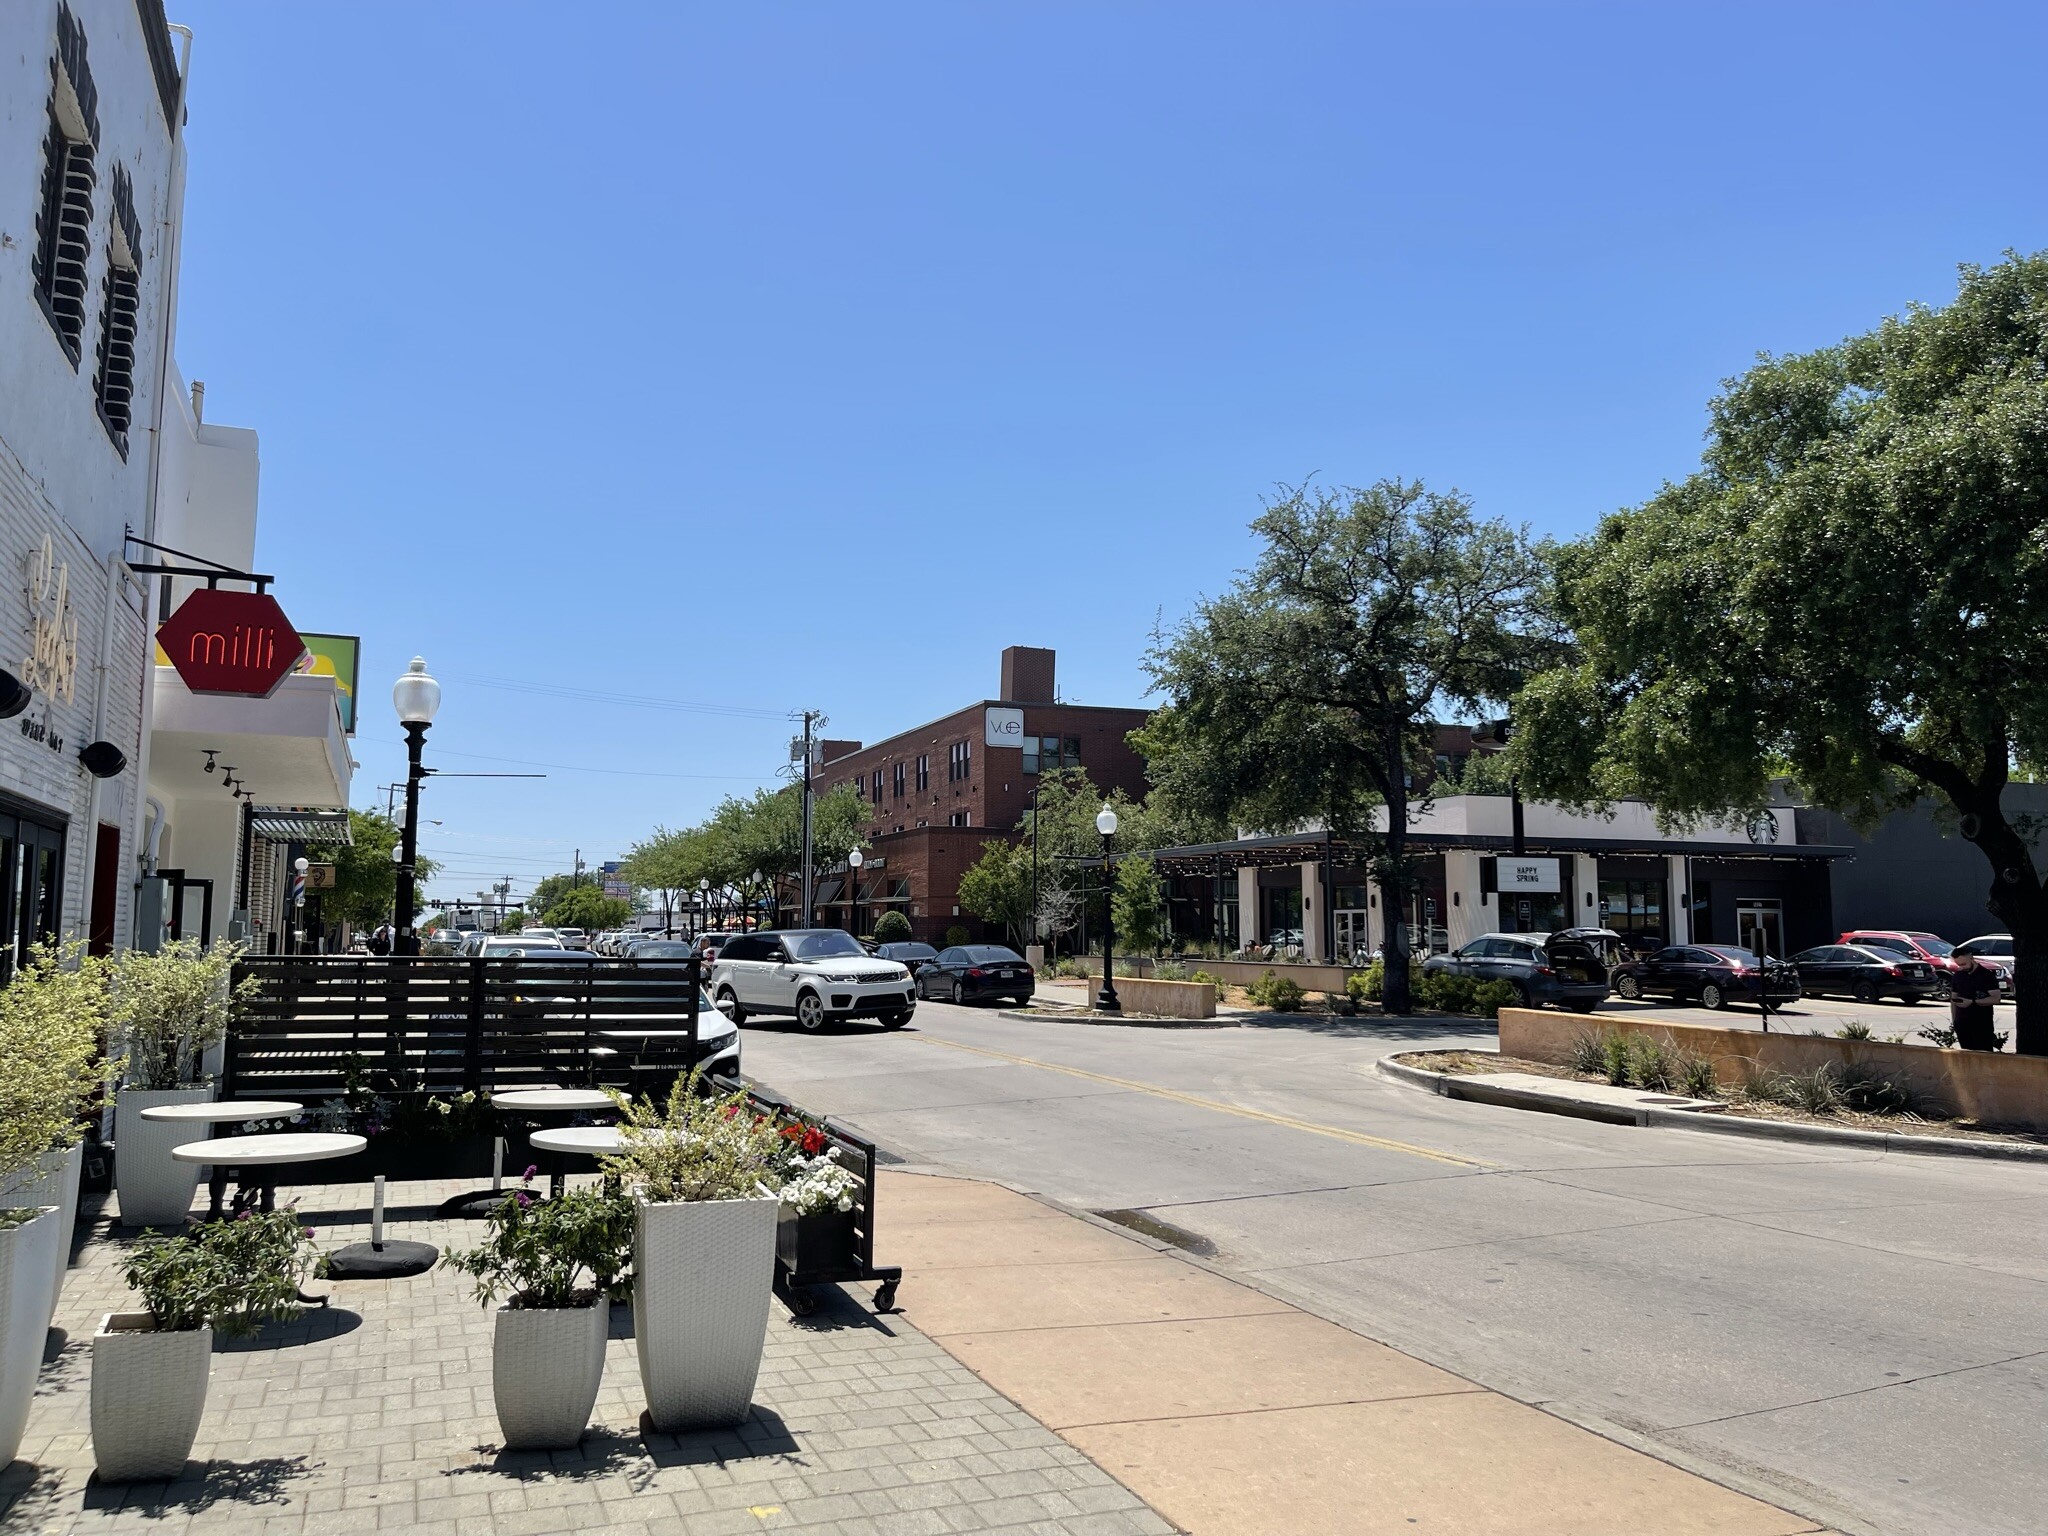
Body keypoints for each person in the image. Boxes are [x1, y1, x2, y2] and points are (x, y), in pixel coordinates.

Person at [1947, 949, 2000, 1050]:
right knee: (1966, 1053)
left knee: (1983, 1054)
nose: (1962, 967)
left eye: (1964, 964)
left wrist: (1973, 1002)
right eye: (1959, 965)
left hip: (1981, 1024)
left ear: (1971, 957)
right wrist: (1955, 1021)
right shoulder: (1958, 976)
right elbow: (1953, 999)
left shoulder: (1986, 975)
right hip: (1962, 1023)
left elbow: (1996, 998)